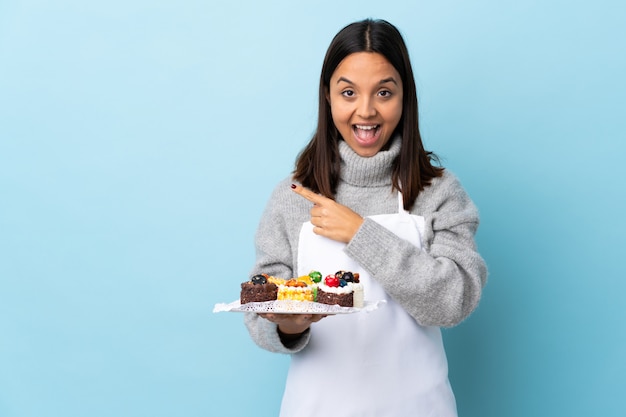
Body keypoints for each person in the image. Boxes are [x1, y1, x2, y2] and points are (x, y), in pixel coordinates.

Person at [244, 18, 487, 416]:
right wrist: (288, 324)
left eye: (384, 92)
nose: (366, 110)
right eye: (348, 92)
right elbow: (262, 310)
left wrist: (360, 232)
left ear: (405, 97)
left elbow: (454, 302)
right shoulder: (292, 196)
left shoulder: (439, 193)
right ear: (328, 97)